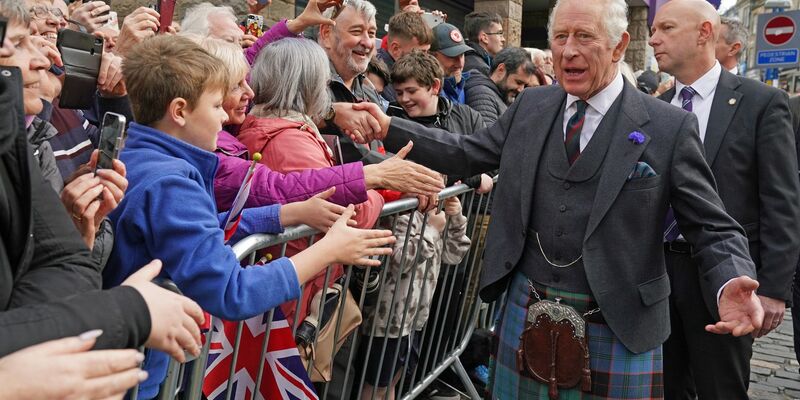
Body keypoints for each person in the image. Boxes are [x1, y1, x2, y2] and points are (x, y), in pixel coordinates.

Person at [351, 0, 766, 397]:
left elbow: (712, 223)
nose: (568, 51)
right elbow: (467, 152)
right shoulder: (532, 105)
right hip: (525, 306)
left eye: (584, 36)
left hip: (619, 322)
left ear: (620, 45)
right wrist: (389, 127)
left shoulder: (668, 125)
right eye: (560, 37)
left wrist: (730, 277)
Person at [104, 35, 395, 399]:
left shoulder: (143, 157)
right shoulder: (171, 184)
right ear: (179, 111)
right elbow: (232, 290)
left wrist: (282, 214)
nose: (225, 116)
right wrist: (329, 250)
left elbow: (206, 229)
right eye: (215, 105)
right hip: (136, 374)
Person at [0, 0, 203, 362]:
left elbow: (65, 268)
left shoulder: (22, 140)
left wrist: (80, 226)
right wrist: (126, 311)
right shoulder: (26, 132)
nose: (43, 59)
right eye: (20, 42)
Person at [650, 1, 800, 398]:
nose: (652, 38)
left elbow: (781, 201)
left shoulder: (760, 103)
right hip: (659, 280)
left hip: (727, 281)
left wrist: (773, 290)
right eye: (653, 28)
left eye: (665, 28)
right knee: (665, 388)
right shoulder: (656, 109)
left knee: (722, 389)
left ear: (703, 33)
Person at [358, 195, 471, 400]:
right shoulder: (402, 213)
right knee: (376, 387)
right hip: (388, 323)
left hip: (414, 321)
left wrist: (456, 218)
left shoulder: (435, 216)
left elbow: (453, 255)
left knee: (393, 381)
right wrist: (432, 231)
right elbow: (400, 260)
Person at [387, 50, 492, 193]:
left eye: (411, 91)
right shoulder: (394, 120)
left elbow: (489, 158)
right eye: (399, 93)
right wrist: (472, 178)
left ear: (435, 86)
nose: (404, 99)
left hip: (463, 211)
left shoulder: (468, 116)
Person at [465, 47, 537, 126]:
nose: (521, 89)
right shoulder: (481, 94)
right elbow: (487, 135)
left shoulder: (499, 95)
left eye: (525, 85)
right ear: (501, 70)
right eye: (518, 82)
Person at [374, 11, 432, 102]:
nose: (426, 58)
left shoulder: (403, 73)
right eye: (420, 52)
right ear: (396, 49)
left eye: (428, 52)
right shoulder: (377, 78)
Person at [430, 23, 472, 105]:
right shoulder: (426, 91)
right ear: (432, 56)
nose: (460, 64)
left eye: (462, 55)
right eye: (452, 56)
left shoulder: (470, 84)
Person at [463, 11, 505, 77]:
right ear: (484, 38)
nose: (503, 39)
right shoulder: (480, 68)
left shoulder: (467, 58)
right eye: (499, 33)